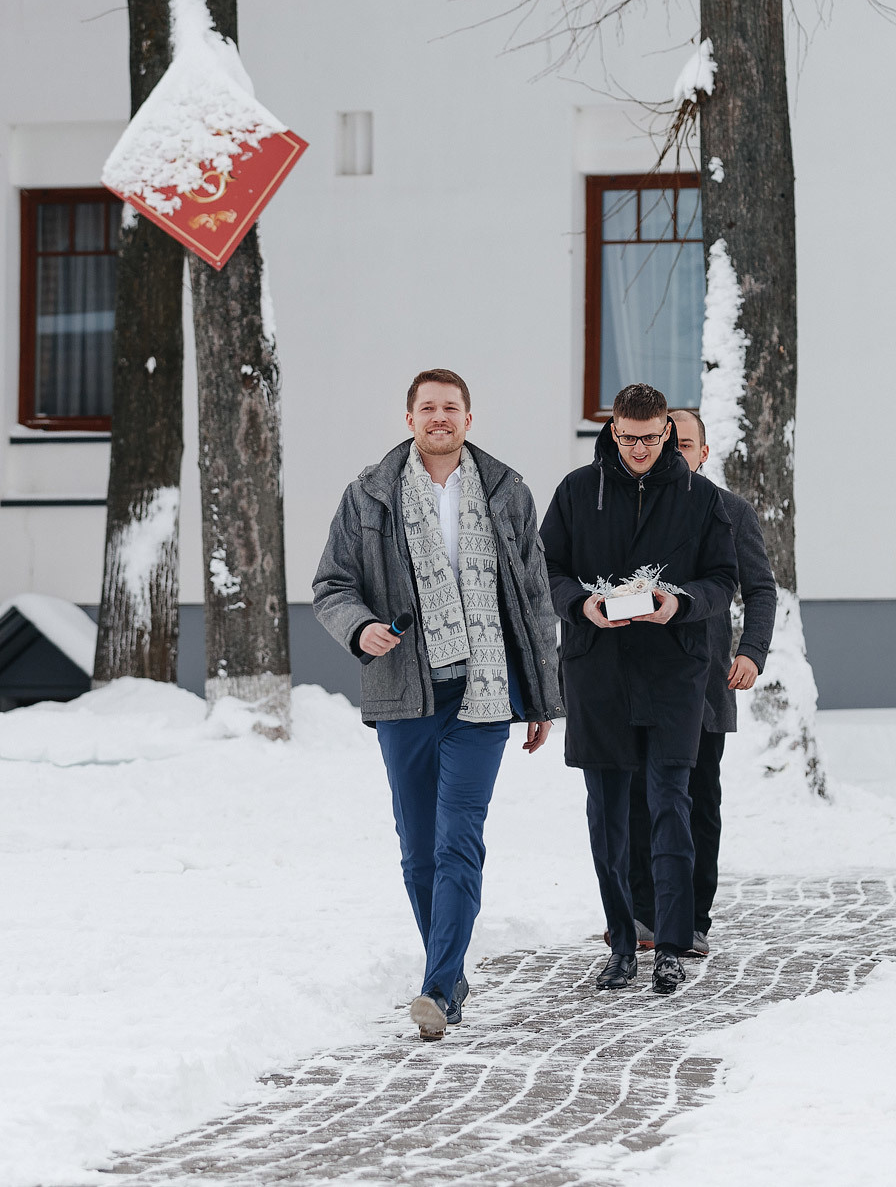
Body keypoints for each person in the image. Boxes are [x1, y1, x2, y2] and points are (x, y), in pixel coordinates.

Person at [313, 369, 563, 1042]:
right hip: (404, 689)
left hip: (485, 689)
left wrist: (540, 692)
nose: (440, 417)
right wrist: (360, 627)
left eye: (451, 407)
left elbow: (536, 599)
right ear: (410, 417)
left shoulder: (507, 492)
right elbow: (331, 584)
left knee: (459, 838)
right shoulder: (369, 495)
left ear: (469, 418)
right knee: (417, 848)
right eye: (428, 407)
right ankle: (448, 972)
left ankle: (438, 988)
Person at [541, 383, 737, 996]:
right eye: (628, 439)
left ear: (667, 434)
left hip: (675, 674)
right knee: (607, 818)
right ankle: (622, 943)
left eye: (652, 440)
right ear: (612, 430)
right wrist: (581, 605)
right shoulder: (577, 491)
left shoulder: (702, 499)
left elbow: (723, 580)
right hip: (597, 672)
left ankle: (672, 946)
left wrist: (678, 603)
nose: (640, 451)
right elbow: (545, 570)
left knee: (670, 807)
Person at [627, 408, 777, 958]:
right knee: (637, 800)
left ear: (703, 452)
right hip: (637, 682)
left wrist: (751, 653)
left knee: (696, 801)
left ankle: (692, 917)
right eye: (668, 442)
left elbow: (760, 590)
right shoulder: (634, 506)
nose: (674, 452)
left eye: (685, 443)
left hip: (706, 682)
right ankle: (643, 914)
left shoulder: (730, 511)